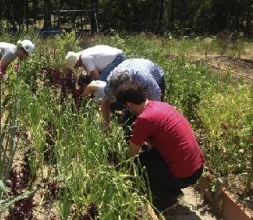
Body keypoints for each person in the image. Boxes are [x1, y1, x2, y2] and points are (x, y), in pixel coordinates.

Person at [114, 80, 205, 211]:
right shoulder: (161, 105)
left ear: (129, 104)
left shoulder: (144, 119)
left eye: (125, 107)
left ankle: (168, 197)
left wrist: (118, 168)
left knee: (139, 165)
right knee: (148, 156)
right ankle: (169, 189)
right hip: (197, 167)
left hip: (185, 176)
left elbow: (131, 154)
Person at [84, 58, 165, 133]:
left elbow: (156, 107)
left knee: (150, 118)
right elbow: (105, 102)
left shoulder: (144, 81)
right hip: (130, 66)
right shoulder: (110, 84)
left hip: (155, 76)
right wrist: (106, 125)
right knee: (127, 122)